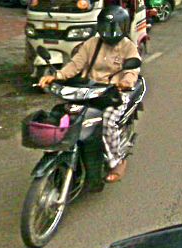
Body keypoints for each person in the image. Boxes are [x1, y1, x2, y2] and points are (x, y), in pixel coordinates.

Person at [39, 5, 141, 183]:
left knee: (108, 121)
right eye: (105, 27)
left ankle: (117, 161)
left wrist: (125, 82)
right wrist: (56, 76)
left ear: (123, 27)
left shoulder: (128, 47)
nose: (109, 32)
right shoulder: (91, 43)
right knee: (68, 114)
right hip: (90, 90)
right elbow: (74, 65)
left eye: (115, 28)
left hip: (114, 93)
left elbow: (132, 71)